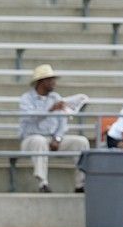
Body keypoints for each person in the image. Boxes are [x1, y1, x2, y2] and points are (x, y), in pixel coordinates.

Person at [19, 64, 90, 193]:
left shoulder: (56, 98)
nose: (54, 82)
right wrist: (49, 109)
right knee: (38, 141)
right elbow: (30, 117)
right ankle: (43, 183)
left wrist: (57, 138)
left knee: (81, 142)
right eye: (50, 79)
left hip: (52, 139)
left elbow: (62, 122)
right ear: (41, 81)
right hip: (31, 139)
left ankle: (81, 184)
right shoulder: (26, 99)